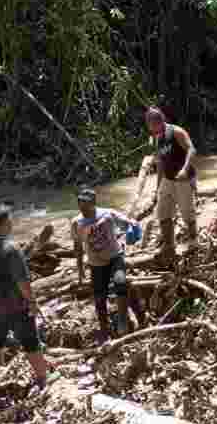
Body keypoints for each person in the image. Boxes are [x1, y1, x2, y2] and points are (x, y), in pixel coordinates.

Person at [0, 204, 49, 398]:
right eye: (10, 219)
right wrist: (32, 302)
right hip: (15, 307)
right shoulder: (11, 248)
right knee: (31, 342)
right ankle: (42, 380)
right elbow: (22, 281)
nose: (12, 222)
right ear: (5, 223)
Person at [71, 188, 146, 342]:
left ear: (94, 203)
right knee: (99, 298)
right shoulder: (76, 223)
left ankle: (123, 322)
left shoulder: (107, 215)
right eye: (80, 203)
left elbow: (128, 223)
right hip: (96, 264)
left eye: (86, 203)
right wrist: (79, 270)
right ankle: (104, 330)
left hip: (114, 257)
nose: (82, 207)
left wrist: (133, 228)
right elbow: (77, 247)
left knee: (120, 282)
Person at [145, 107, 197, 259]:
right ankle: (169, 245)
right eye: (150, 126)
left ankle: (193, 241)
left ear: (161, 121)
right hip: (167, 179)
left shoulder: (176, 132)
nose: (152, 128)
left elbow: (191, 150)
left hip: (183, 179)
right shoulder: (157, 138)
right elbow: (160, 163)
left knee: (187, 212)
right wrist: (157, 187)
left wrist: (184, 170)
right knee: (163, 212)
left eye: (154, 124)